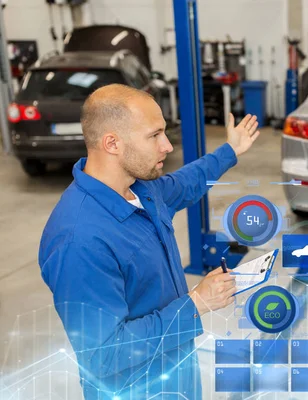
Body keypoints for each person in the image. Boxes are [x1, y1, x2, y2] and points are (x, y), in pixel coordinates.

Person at [38, 84, 260, 399]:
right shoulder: (78, 239)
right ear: (112, 143)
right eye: (154, 135)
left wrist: (230, 150)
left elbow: (186, 183)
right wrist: (196, 304)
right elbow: (103, 355)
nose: (167, 146)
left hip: (176, 376)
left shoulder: (142, 188)